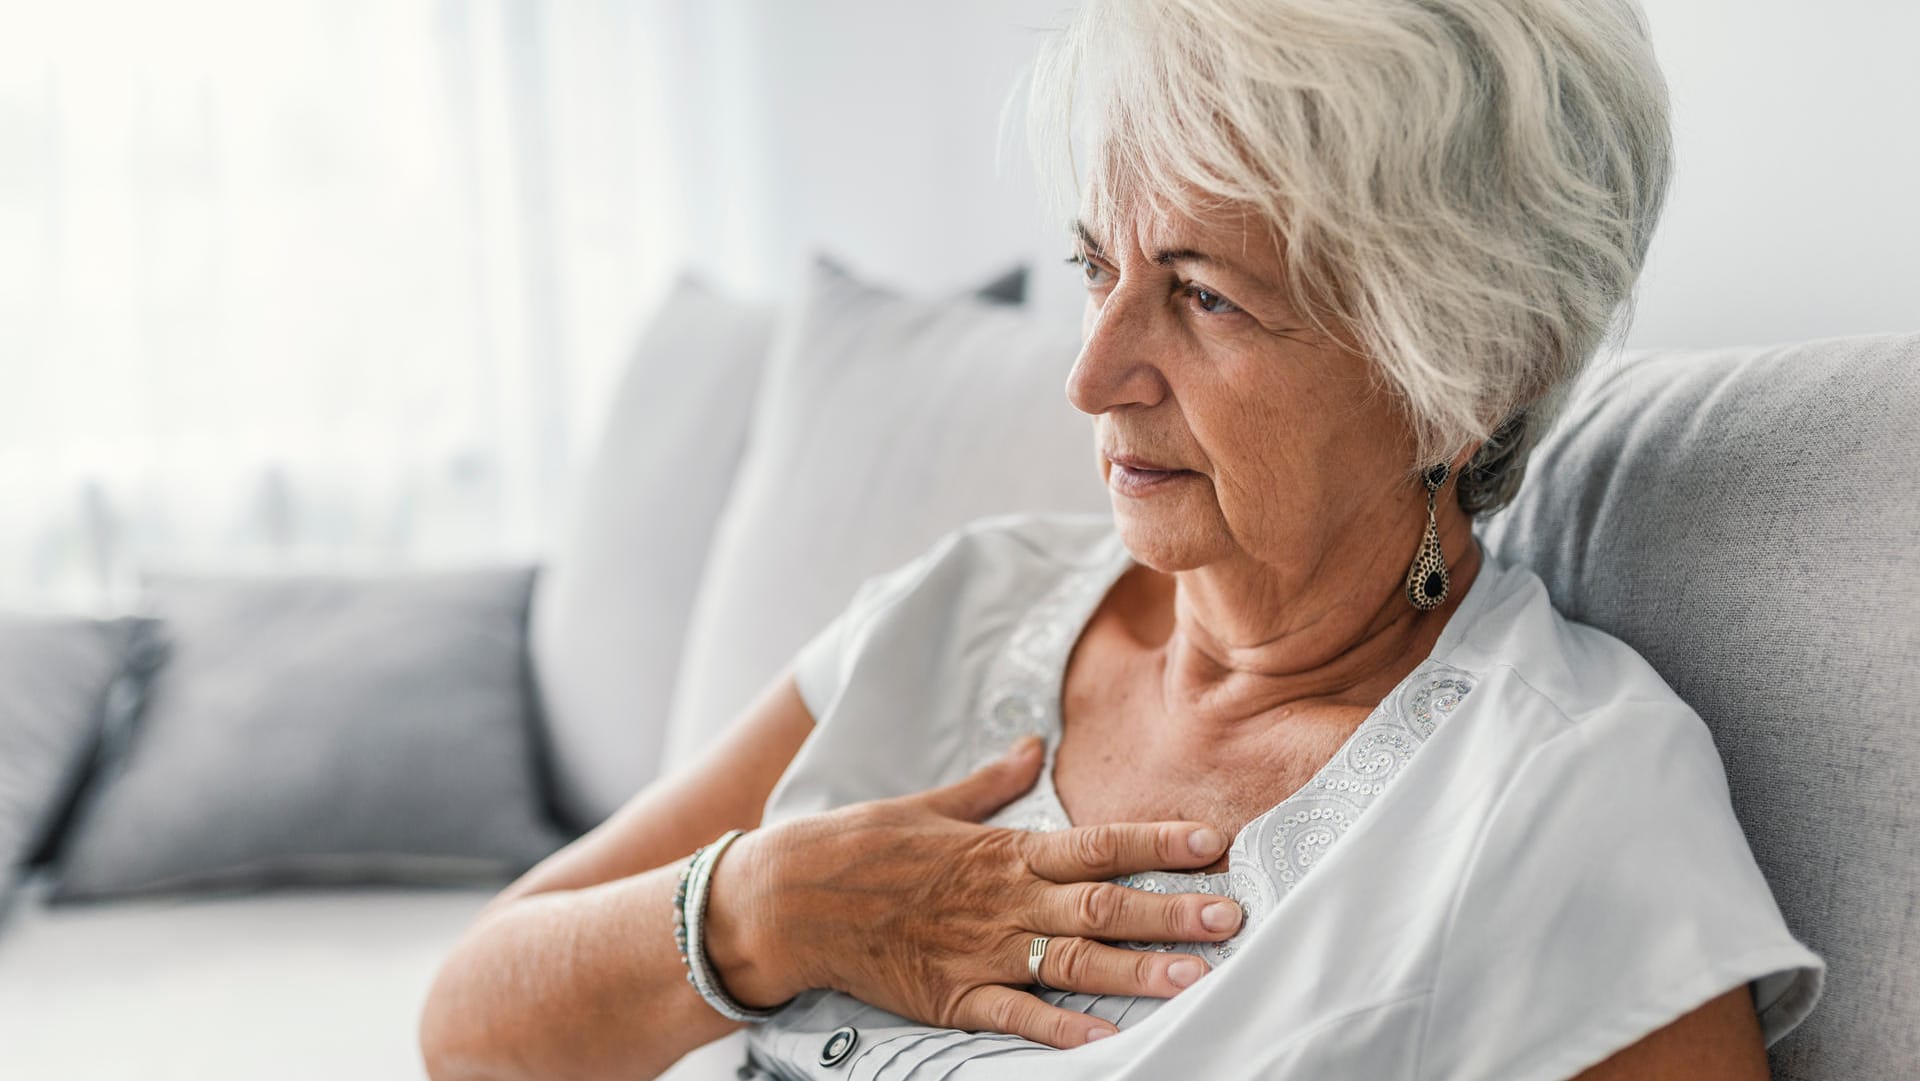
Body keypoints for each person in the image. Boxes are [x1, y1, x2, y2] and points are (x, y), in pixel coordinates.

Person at [419, 1, 1826, 1078]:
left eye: (1202, 294)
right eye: (1099, 265)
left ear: (1465, 366)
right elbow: (468, 1019)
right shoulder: (961, 605)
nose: (1090, 374)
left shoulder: (1562, 794)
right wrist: (771, 904)